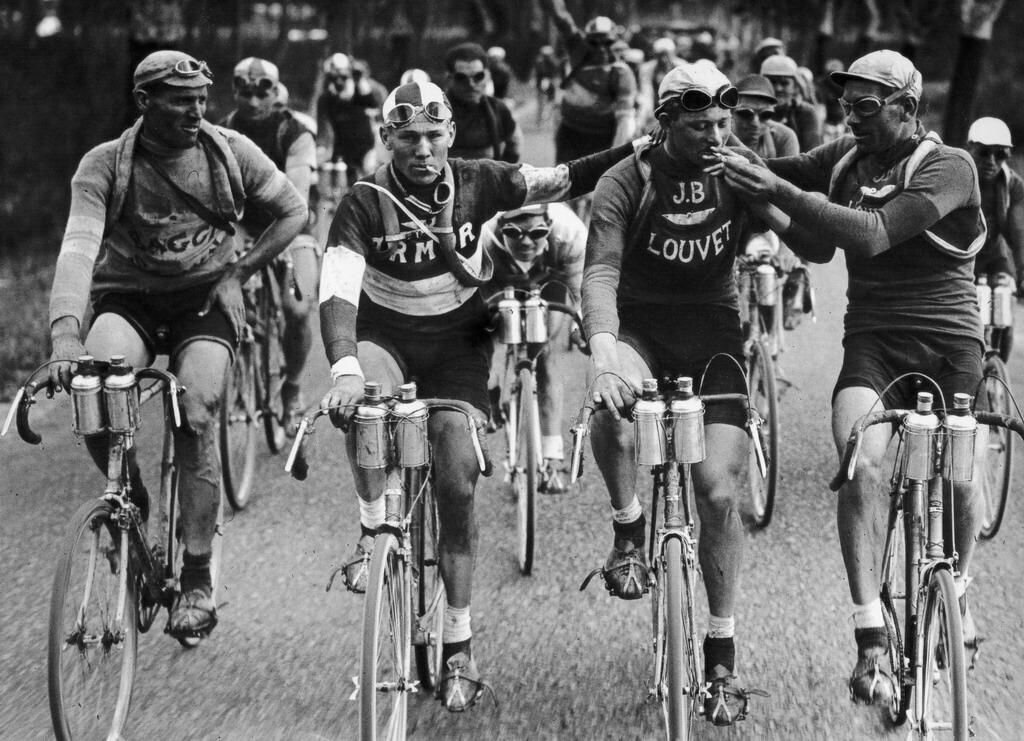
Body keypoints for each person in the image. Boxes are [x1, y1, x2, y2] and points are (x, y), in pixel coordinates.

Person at [318, 80, 640, 711]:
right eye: (407, 137)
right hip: (386, 337)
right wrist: (345, 370)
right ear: (387, 140)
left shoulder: (481, 180)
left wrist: (635, 150)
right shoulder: (362, 201)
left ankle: (459, 641)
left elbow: (563, 179)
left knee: (457, 477)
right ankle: (370, 530)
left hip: (459, 345)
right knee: (365, 411)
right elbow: (337, 292)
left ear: (451, 137)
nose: (422, 149)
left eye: (434, 136)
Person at [720, 49, 988, 707]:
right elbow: (801, 218)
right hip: (873, 343)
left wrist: (777, 192)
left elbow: (869, 236)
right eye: (846, 106)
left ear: (907, 106)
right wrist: (709, 153)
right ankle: (870, 629)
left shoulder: (949, 166)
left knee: (959, 474)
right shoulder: (845, 159)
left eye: (865, 107)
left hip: (951, 341)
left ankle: (960, 587)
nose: (851, 118)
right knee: (861, 462)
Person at [47, 51, 307, 639]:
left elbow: (294, 210)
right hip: (130, 299)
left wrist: (238, 274)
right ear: (145, 101)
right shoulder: (105, 165)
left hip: (202, 302)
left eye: (200, 99)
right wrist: (65, 331)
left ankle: (195, 578)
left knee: (196, 411)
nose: (195, 110)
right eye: (180, 100)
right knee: (94, 394)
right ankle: (130, 494)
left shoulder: (229, 151)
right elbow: (78, 250)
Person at [582, 64, 774, 726]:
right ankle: (630, 524)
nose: (717, 135)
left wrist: (772, 202)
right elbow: (600, 272)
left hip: (714, 331)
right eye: (700, 126)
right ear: (666, 123)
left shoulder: (737, 166)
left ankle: (720, 652)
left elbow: (804, 235)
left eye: (723, 123)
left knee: (718, 492)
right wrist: (606, 353)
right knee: (609, 398)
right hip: (640, 325)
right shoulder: (625, 181)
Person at [221, 57, 319, 430]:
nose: (253, 97)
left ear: (276, 92)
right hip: (244, 224)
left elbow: (295, 198)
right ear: (233, 90)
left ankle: (292, 388)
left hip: (291, 225)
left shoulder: (294, 133)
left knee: (296, 310)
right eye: (244, 88)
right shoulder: (222, 131)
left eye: (262, 88)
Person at [480, 202, 587, 493]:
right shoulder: (483, 236)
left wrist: (581, 328)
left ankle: (552, 457)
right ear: (500, 226)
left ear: (550, 225)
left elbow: (580, 293)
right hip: (498, 278)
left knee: (546, 352)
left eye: (537, 232)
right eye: (514, 232)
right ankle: (492, 388)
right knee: (483, 338)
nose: (526, 241)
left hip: (549, 279)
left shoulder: (570, 234)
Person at [732, 74, 809, 332]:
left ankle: (769, 347)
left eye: (765, 116)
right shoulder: (717, 135)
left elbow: (792, 200)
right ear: (730, 112)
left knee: (767, 271)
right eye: (745, 114)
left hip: (767, 223)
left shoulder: (784, 138)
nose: (755, 123)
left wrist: (788, 252)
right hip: (727, 222)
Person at [540, 0, 637, 162]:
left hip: (603, 135)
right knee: (565, 182)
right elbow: (561, 19)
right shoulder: (577, 50)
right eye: (594, 42)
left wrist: (614, 156)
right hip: (570, 132)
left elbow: (624, 119)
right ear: (585, 42)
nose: (600, 48)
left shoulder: (621, 73)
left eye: (607, 43)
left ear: (616, 43)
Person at [967, 116, 1024, 360]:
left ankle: (998, 373)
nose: (992, 162)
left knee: (1004, 314)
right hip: (962, 258)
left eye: (1000, 155)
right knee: (966, 319)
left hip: (994, 256)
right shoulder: (956, 175)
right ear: (971, 149)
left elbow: (1018, 231)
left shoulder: (1012, 185)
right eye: (984, 153)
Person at [444, 42, 522, 163]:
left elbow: (515, 143)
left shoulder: (498, 109)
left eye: (478, 76)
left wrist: (503, 172)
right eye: (461, 78)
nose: (471, 84)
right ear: (449, 79)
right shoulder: (437, 111)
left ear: (488, 76)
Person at [316, 51, 386, 182]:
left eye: (343, 77)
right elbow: (322, 125)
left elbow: (372, 102)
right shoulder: (326, 98)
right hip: (343, 148)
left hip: (365, 145)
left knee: (369, 177)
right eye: (334, 78)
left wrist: (359, 80)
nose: (339, 81)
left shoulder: (360, 93)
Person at [760, 54, 822, 152]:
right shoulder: (752, 113)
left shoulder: (805, 113)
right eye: (772, 82)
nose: (778, 88)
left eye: (784, 83)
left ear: (795, 86)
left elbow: (813, 155)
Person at [637, 37, 686, 128]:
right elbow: (645, 92)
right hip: (654, 108)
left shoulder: (683, 67)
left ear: (673, 54)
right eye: (660, 56)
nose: (663, 59)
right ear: (655, 55)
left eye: (666, 55)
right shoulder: (646, 69)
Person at [533, 45, 561, 126]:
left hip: (551, 86)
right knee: (541, 103)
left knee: (551, 103)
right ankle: (540, 121)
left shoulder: (553, 62)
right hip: (542, 85)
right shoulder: (540, 63)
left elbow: (556, 73)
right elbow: (540, 73)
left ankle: (547, 120)